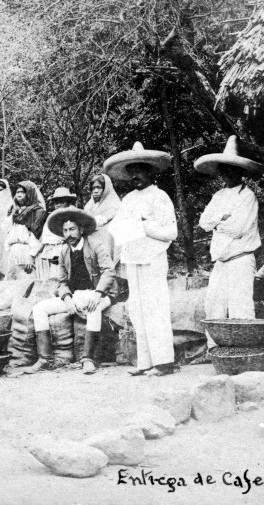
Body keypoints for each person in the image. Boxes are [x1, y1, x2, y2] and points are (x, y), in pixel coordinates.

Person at [105, 142, 178, 376]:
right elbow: (118, 228)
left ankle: (164, 361)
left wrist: (146, 225)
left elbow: (170, 232)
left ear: (149, 171)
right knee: (137, 309)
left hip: (153, 257)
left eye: (139, 170)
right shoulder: (127, 200)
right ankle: (144, 361)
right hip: (133, 257)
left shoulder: (160, 196)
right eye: (131, 171)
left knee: (155, 307)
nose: (135, 175)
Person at [194, 135, 264, 358]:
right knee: (213, 305)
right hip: (221, 261)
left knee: (240, 307)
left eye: (233, 169)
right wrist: (220, 220)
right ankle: (215, 350)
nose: (228, 174)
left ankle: (245, 353)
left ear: (241, 171)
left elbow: (239, 228)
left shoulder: (248, 196)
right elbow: (204, 223)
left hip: (241, 258)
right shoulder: (218, 195)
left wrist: (219, 223)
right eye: (224, 169)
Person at [25, 207, 117, 375]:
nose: (69, 234)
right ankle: (45, 359)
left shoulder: (96, 245)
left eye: (72, 229)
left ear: (81, 230)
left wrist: (98, 294)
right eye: (65, 230)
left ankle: (88, 359)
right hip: (76, 296)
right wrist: (67, 299)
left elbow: (109, 271)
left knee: (93, 307)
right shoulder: (64, 251)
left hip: (100, 294)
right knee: (39, 308)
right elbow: (61, 281)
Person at [4, 181, 47, 280]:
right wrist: (10, 215)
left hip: (28, 252)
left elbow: (37, 236)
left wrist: (31, 256)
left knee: (26, 279)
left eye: (22, 192)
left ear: (29, 194)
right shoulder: (15, 212)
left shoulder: (38, 212)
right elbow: (8, 232)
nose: (19, 194)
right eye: (17, 192)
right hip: (13, 252)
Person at [35, 187, 77, 281]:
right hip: (53, 252)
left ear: (68, 202)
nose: (58, 205)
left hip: (67, 251)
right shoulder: (51, 217)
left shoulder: (73, 215)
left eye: (62, 202)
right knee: (54, 278)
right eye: (56, 202)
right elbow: (46, 238)